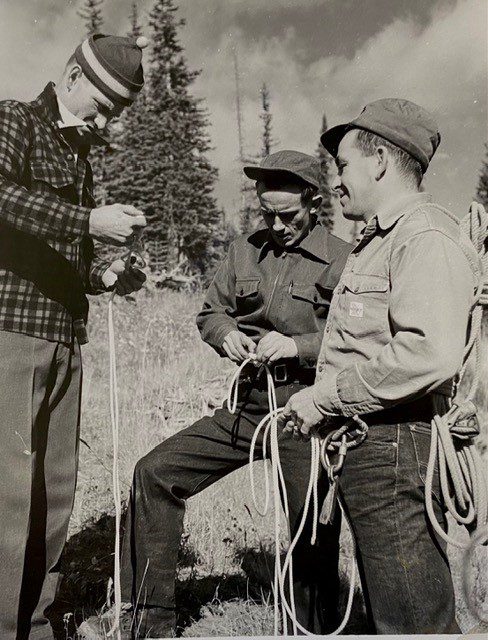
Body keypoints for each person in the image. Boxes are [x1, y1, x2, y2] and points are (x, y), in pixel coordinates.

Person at [114, 150, 352, 639]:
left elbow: (357, 339)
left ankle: (309, 628)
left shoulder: (344, 259)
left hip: (306, 411)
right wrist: (226, 336)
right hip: (244, 409)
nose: (278, 225)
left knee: (311, 530)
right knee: (154, 473)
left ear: (313, 202)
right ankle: (149, 622)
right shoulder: (244, 251)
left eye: (288, 215)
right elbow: (210, 313)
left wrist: (299, 345)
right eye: (268, 214)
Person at [280, 99, 480, 634]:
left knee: (412, 623)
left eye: (343, 166)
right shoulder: (380, 241)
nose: (336, 182)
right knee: (398, 615)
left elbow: (428, 353)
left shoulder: (423, 237)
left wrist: (323, 398)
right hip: (376, 445)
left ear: (380, 162)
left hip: (394, 448)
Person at [0, 34, 149, 640]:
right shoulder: (16, 120)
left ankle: (36, 621)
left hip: (66, 338)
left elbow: (71, 255)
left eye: (116, 111)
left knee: (55, 492)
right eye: (103, 104)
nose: (106, 119)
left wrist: (107, 272)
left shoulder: (83, 157)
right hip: (10, 333)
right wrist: (89, 219)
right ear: (71, 76)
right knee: (9, 490)